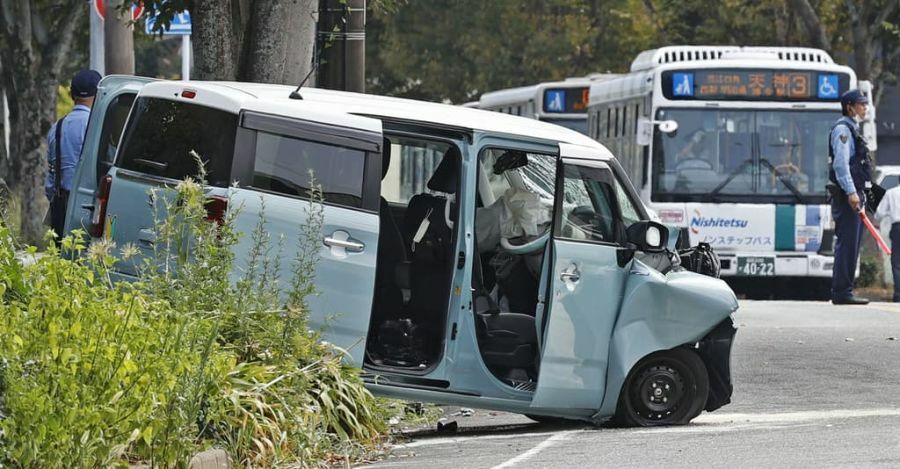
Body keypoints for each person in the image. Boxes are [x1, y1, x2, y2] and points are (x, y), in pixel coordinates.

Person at [45, 69, 102, 243]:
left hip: (60, 205)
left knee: (63, 261)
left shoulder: (57, 127)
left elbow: (51, 176)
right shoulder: (96, 125)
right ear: (99, 95)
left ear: (71, 95)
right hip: (89, 205)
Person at [828, 89, 872, 305]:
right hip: (848, 197)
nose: (865, 108)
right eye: (861, 104)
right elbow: (840, 165)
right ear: (850, 107)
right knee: (847, 242)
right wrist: (852, 192)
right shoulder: (843, 130)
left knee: (852, 242)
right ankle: (842, 291)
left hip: (855, 194)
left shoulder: (852, 129)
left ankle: (844, 289)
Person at [876, 184, 900, 302]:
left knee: (897, 263)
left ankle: (899, 294)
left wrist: (876, 220)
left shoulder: (891, 193)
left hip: (897, 228)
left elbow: (880, 213)